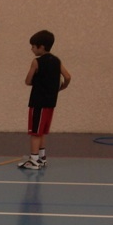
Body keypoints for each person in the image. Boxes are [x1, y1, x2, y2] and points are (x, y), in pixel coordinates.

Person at [20, 29, 71, 170]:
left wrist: (35, 79)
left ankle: (33, 159)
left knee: (35, 132)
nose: (31, 49)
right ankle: (42, 158)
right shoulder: (57, 61)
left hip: (38, 102)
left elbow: (27, 81)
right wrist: (62, 87)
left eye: (33, 46)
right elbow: (67, 76)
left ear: (41, 47)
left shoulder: (36, 62)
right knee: (42, 131)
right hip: (50, 102)